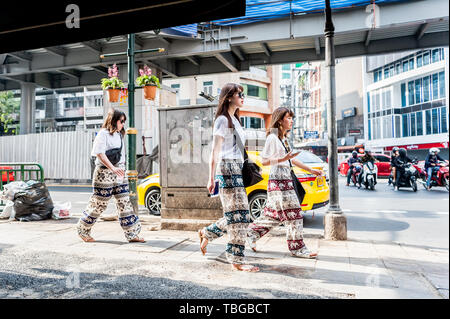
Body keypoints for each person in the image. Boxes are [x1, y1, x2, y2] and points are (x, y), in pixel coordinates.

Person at [246, 107, 322, 258]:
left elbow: (292, 159)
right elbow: (264, 161)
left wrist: (310, 170)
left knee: (273, 215)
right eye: (288, 118)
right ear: (280, 120)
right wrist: (282, 159)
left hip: (285, 179)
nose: (292, 121)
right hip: (278, 181)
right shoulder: (272, 138)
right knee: (295, 214)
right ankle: (297, 248)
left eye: (292, 118)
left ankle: (251, 233)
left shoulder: (283, 138)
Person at [199, 83, 259, 272]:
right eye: (239, 94)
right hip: (226, 169)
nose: (242, 97)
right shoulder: (222, 120)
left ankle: (206, 233)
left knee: (239, 215)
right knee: (239, 216)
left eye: (243, 94)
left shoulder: (236, 119)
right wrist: (211, 178)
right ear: (229, 97)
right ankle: (236, 259)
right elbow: (215, 151)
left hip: (237, 168)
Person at [76, 108, 144, 243]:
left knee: (125, 203)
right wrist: (112, 168)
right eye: (121, 121)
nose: (123, 124)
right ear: (113, 121)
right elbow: (99, 153)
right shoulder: (103, 134)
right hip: (104, 174)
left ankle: (132, 234)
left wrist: (121, 170)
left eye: (124, 122)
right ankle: (82, 229)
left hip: (119, 173)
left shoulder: (119, 135)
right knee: (99, 204)